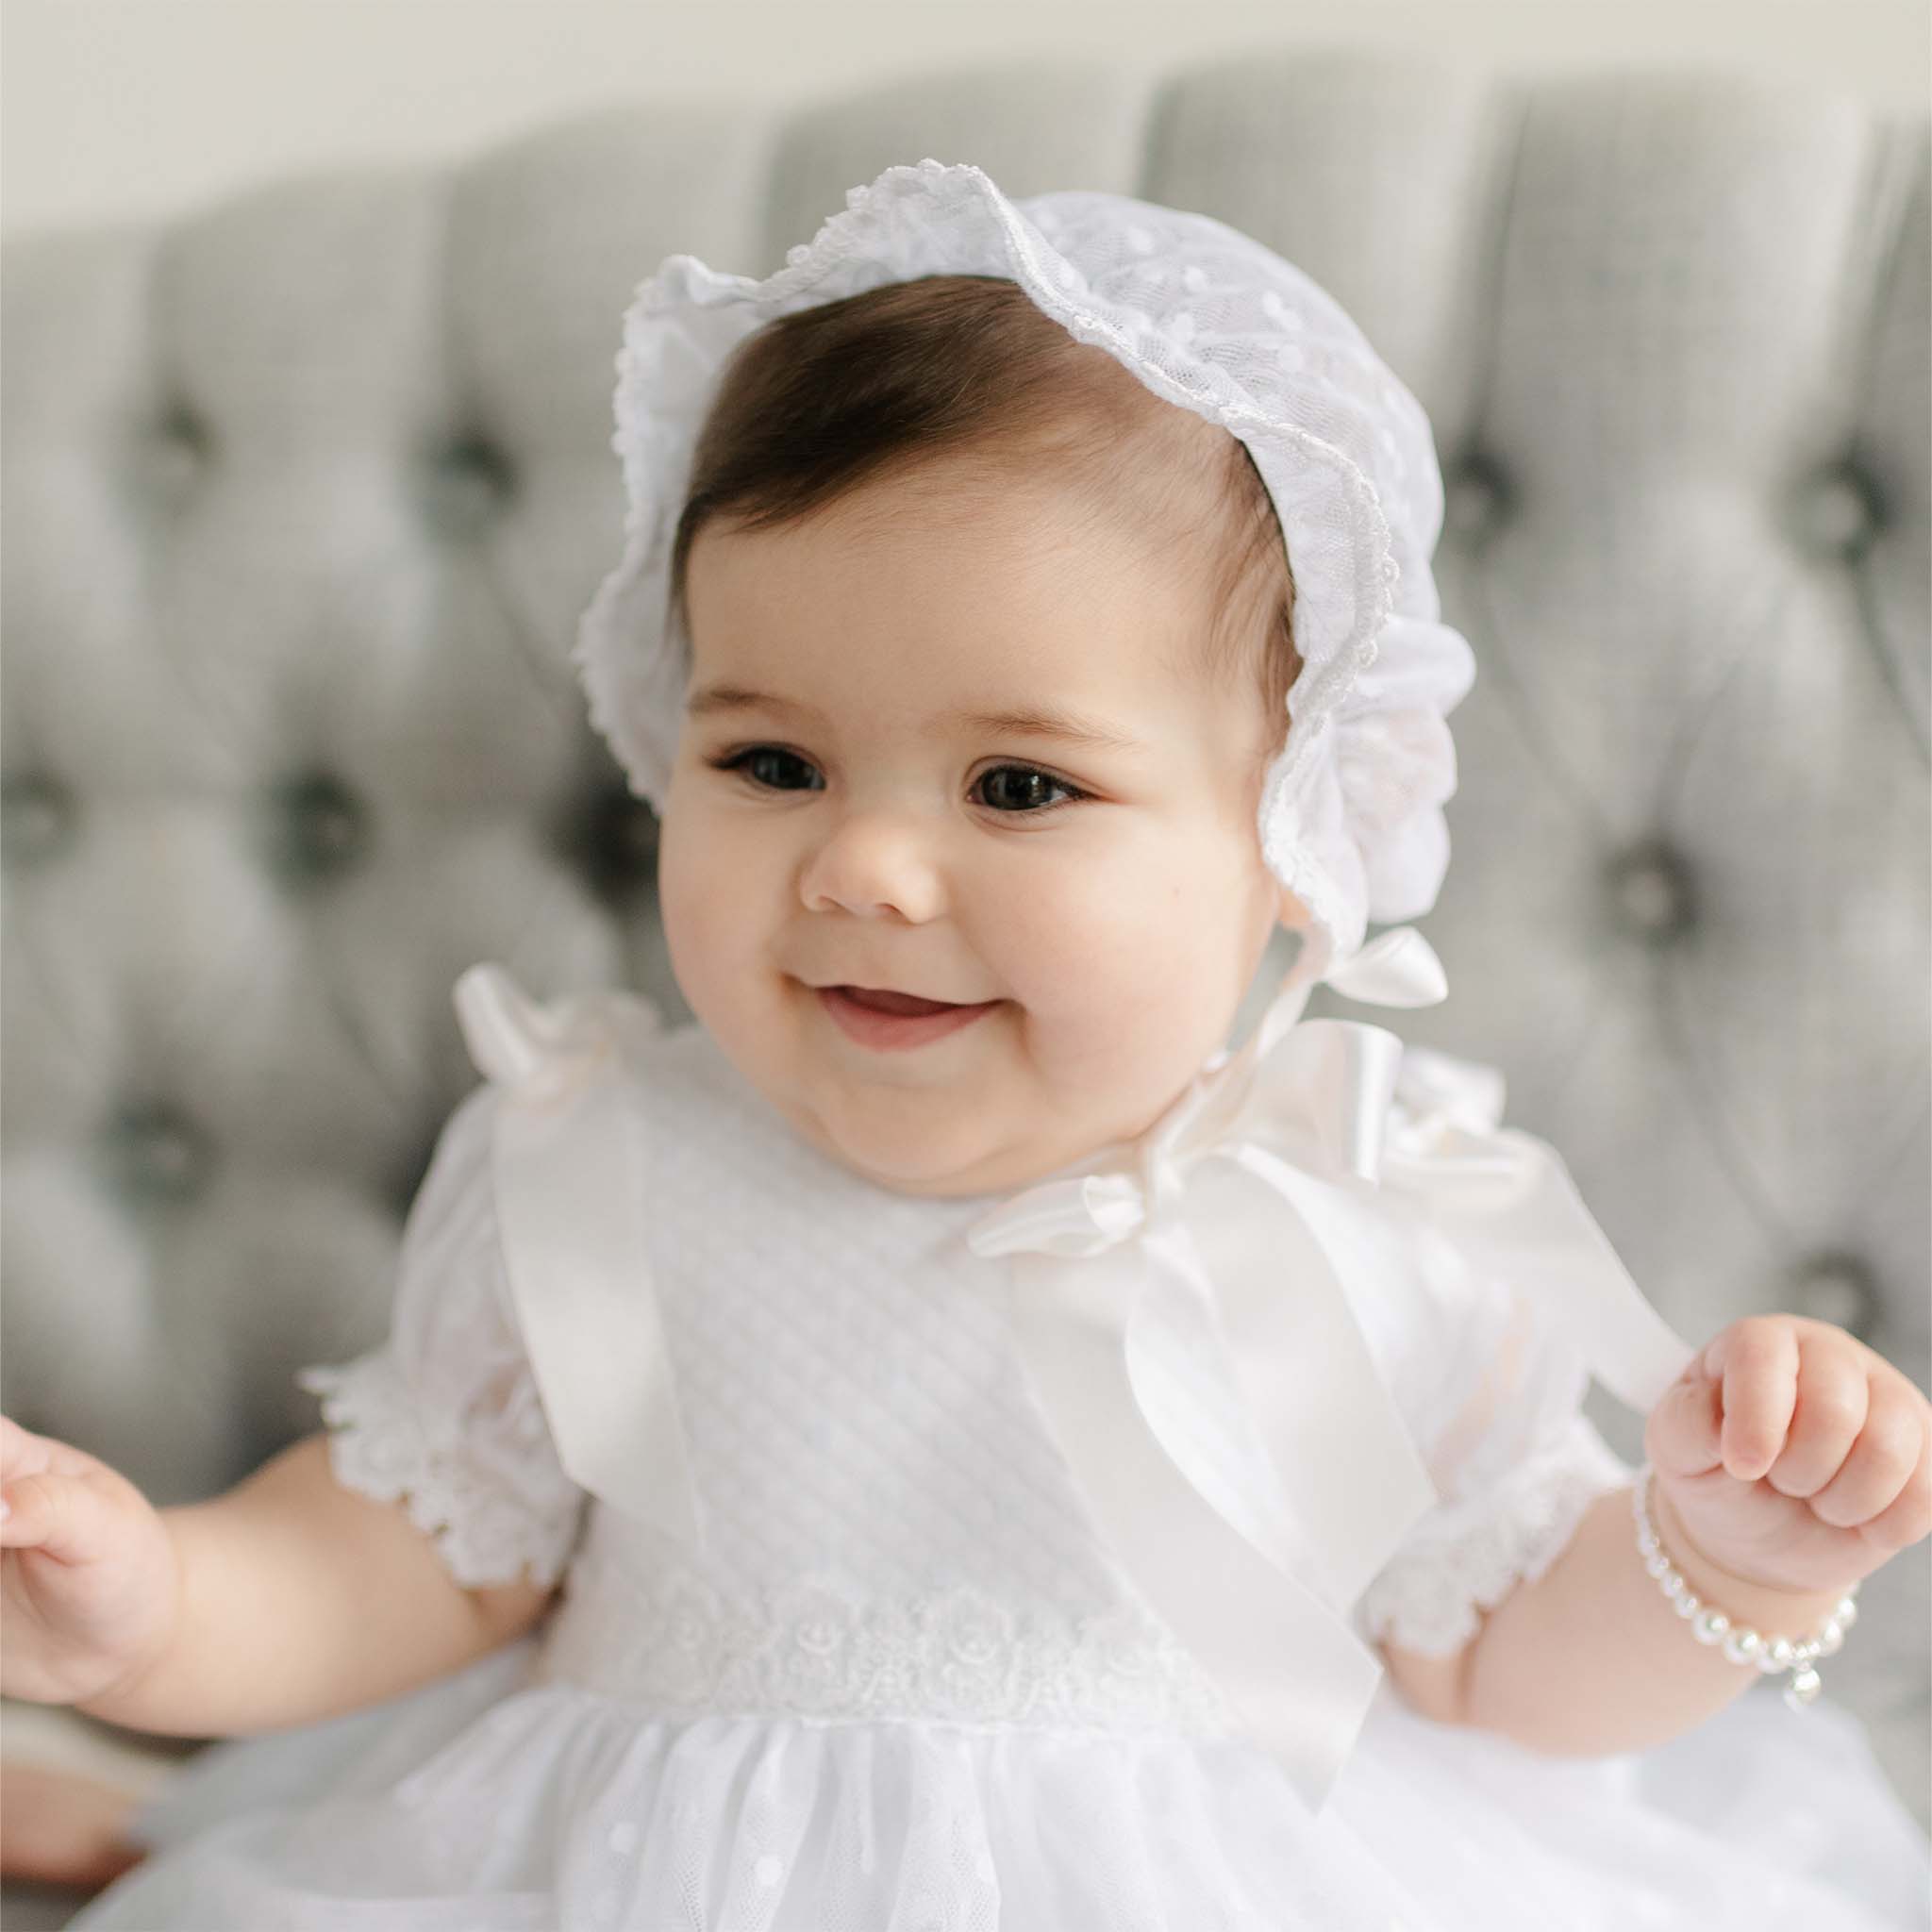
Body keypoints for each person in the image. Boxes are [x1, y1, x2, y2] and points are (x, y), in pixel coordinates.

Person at [4, 158, 1928, 1930]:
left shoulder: (1357, 1213)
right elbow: (427, 1553)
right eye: (771, 761)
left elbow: (1495, 1659)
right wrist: (150, 1610)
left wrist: (1726, 1559)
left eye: (1018, 785)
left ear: (1297, 837)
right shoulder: (599, 1156)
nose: (861, 867)